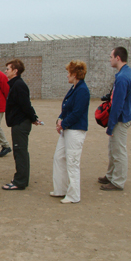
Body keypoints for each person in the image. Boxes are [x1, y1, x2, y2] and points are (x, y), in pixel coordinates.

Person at [98, 47, 131, 191]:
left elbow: (117, 105)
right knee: (113, 148)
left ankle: (118, 181)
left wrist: (111, 125)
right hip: (126, 116)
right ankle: (110, 175)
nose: (110, 59)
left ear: (118, 58)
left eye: (111, 57)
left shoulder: (122, 78)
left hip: (120, 119)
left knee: (118, 151)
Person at [51, 61, 90, 203]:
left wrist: (63, 124)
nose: (67, 75)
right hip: (67, 129)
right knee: (59, 157)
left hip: (75, 130)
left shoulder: (82, 90)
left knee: (72, 162)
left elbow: (77, 112)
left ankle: (74, 195)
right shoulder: (74, 88)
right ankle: (61, 189)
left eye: (68, 73)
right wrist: (60, 119)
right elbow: (66, 108)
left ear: (75, 74)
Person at [1, 59, 41, 191]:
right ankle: (21, 178)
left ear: (15, 71)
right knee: (19, 152)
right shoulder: (15, 84)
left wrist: (33, 118)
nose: (6, 71)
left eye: (8, 69)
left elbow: (26, 105)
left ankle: (20, 181)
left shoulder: (19, 85)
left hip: (21, 123)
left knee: (20, 152)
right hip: (18, 122)